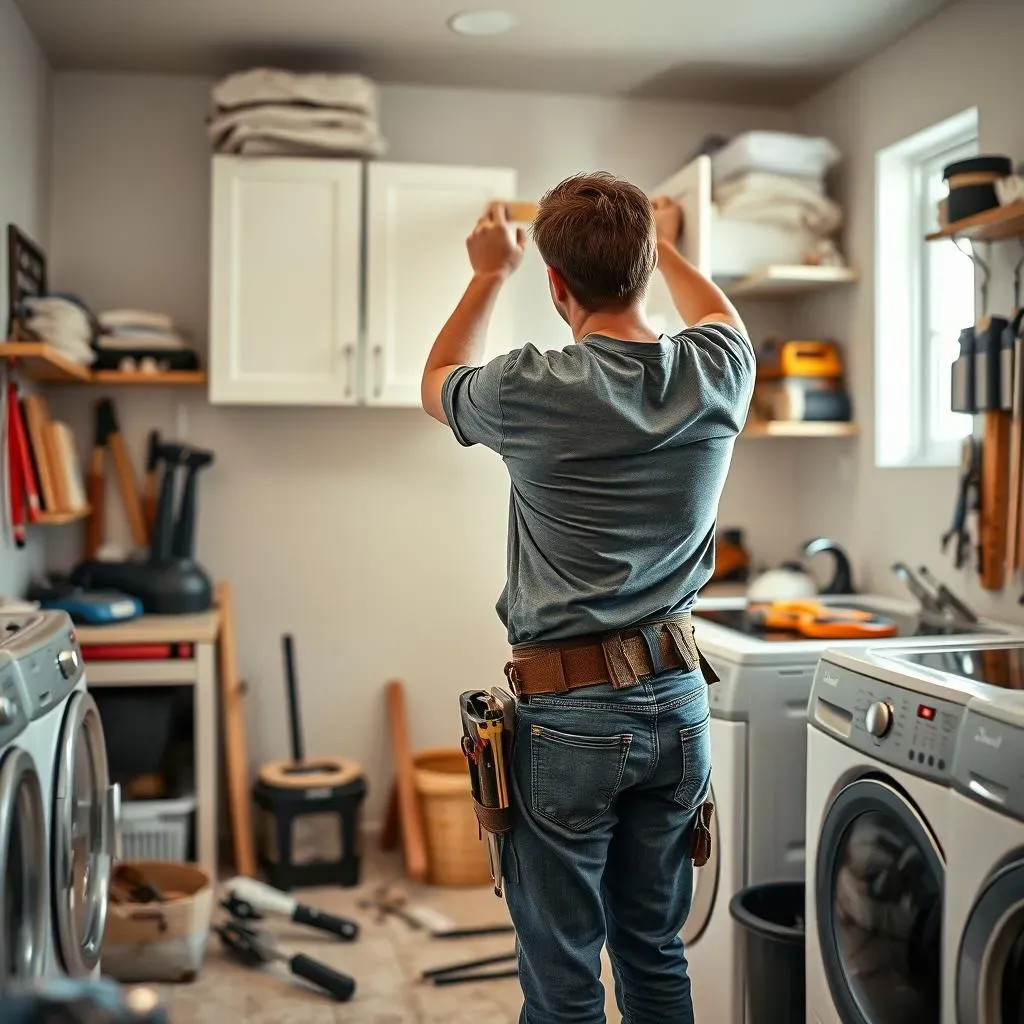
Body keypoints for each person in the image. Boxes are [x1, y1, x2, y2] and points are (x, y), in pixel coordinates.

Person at [421, 172, 754, 1024]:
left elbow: (437, 378)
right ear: (645, 268)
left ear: (556, 285)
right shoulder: (720, 371)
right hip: (680, 707)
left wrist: (487, 271)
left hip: (569, 720)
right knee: (654, 951)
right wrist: (667, 241)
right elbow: (722, 317)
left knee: (564, 979)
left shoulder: (530, 387)